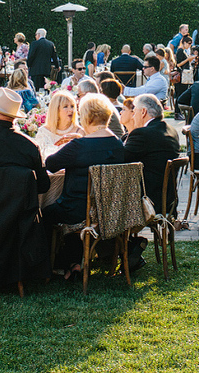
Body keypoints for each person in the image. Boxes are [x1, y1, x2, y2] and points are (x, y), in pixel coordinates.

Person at [41, 93, 129, 277]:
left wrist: (76, 139)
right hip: (109, 210)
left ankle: (53, 264)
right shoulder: (118, 145)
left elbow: (50, 164)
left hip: (76, 210)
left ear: (87, 117)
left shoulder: (78, 146)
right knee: (77, 212)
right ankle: (75, 263)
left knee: (43, 214)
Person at [124, 93, 181, 214]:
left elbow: (120, 159)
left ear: (143, 112)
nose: (133, 117)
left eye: (134, 112)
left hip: (148, 200)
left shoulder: (143, 134)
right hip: (169, 198)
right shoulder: (171, 130)